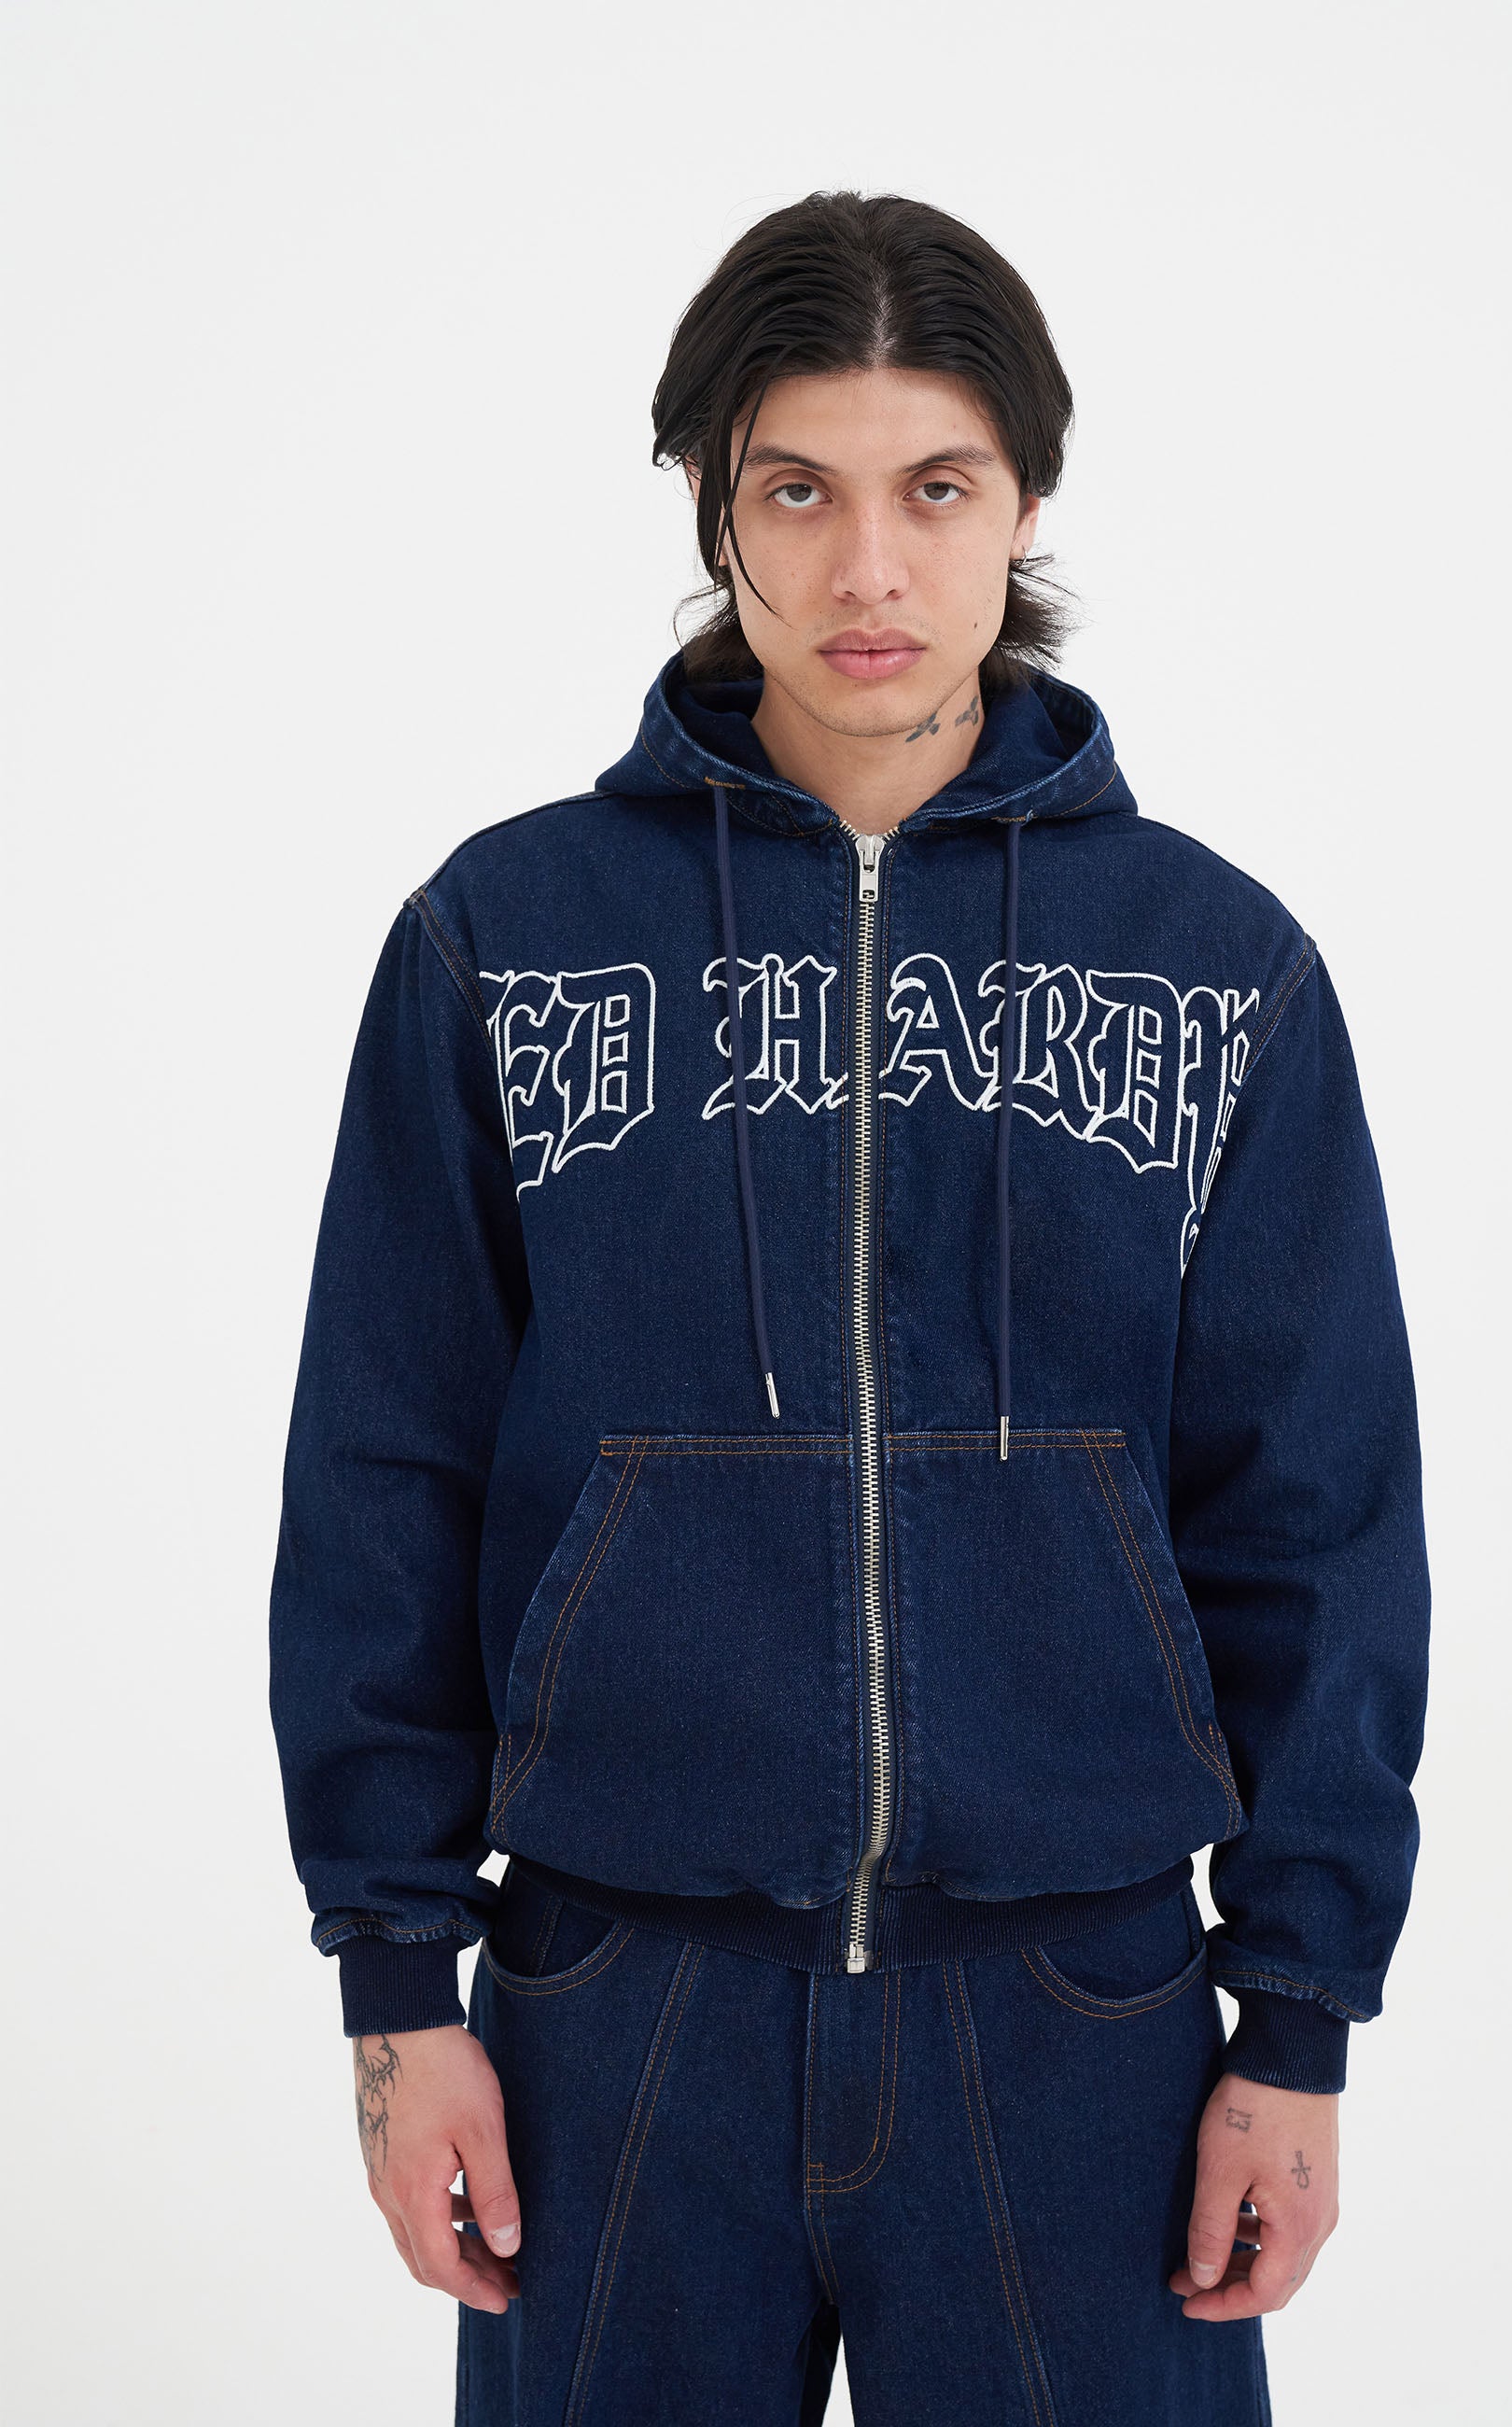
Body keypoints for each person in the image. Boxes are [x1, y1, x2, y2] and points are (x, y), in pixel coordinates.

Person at [269, 189, 1430, 2424]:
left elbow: (1317, 1512)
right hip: (613, 2000)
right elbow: (385, 1466)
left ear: (1027, 503)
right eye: (797, 491)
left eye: (937, 490)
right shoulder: (504, 939)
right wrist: (398, 1983)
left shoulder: (1218, 968)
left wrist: (1298, 2013)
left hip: (1082, 2008)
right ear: (716, 506)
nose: (867, 570)